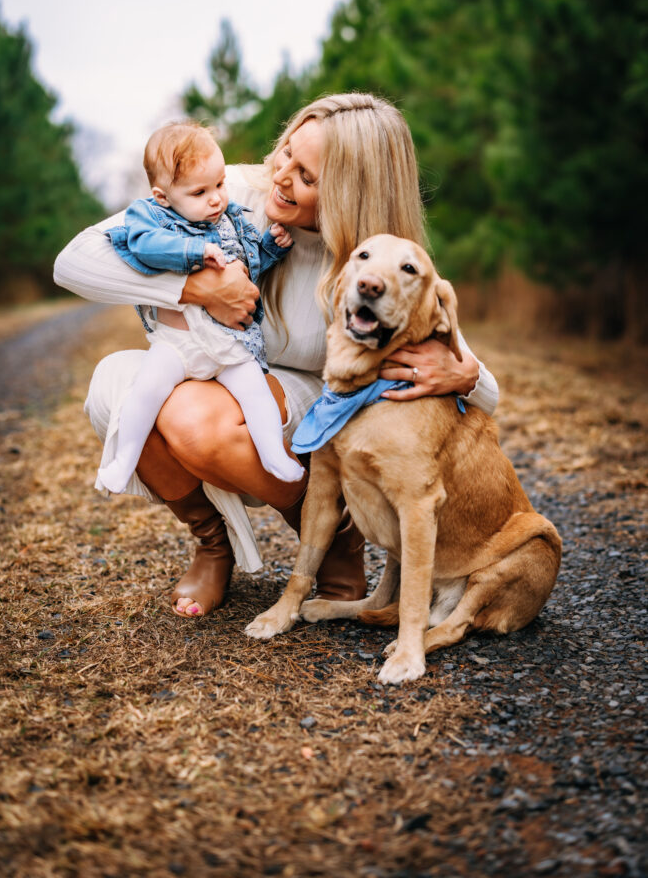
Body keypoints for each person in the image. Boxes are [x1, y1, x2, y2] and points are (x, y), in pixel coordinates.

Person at [54, 93, 499, 621]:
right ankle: (212, 545)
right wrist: (197, 287)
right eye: (285, 152)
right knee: (118, 384)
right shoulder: (229, 187)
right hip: (207, 360)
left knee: (196, 422)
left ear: (351, 194)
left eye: (306, 176)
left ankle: (335, 536)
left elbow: (487, 388)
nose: (281, 175)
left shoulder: (377, 255)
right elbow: (74, 261)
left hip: (302, 401)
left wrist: (462, 374)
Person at [97, 120, 304, 494]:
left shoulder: (231, 220)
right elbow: (143, 246)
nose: (215, 199)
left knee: (255, 389)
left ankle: (273, 453)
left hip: (227, 341)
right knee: (146, 390)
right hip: (178, 343)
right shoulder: (150, 217)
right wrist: (193, 251)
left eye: (220, 184)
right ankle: (123, 459)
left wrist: (270, 248)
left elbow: (248, 265)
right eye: (199, 192)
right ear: (163, 196)